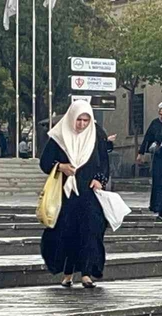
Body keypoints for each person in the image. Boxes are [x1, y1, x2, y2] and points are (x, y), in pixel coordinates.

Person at [38, 101, 110, 289]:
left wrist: (100, 179)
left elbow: (103, 161)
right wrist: (60, 166)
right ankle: (68, 272)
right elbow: (45, 162)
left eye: (86, 120)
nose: (82, 124)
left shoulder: (96, 134)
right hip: (66, 194)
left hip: (89, 193)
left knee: (90, 231)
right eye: (79, 120)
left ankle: (86, 273)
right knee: (67, 232)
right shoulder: (59, 136)